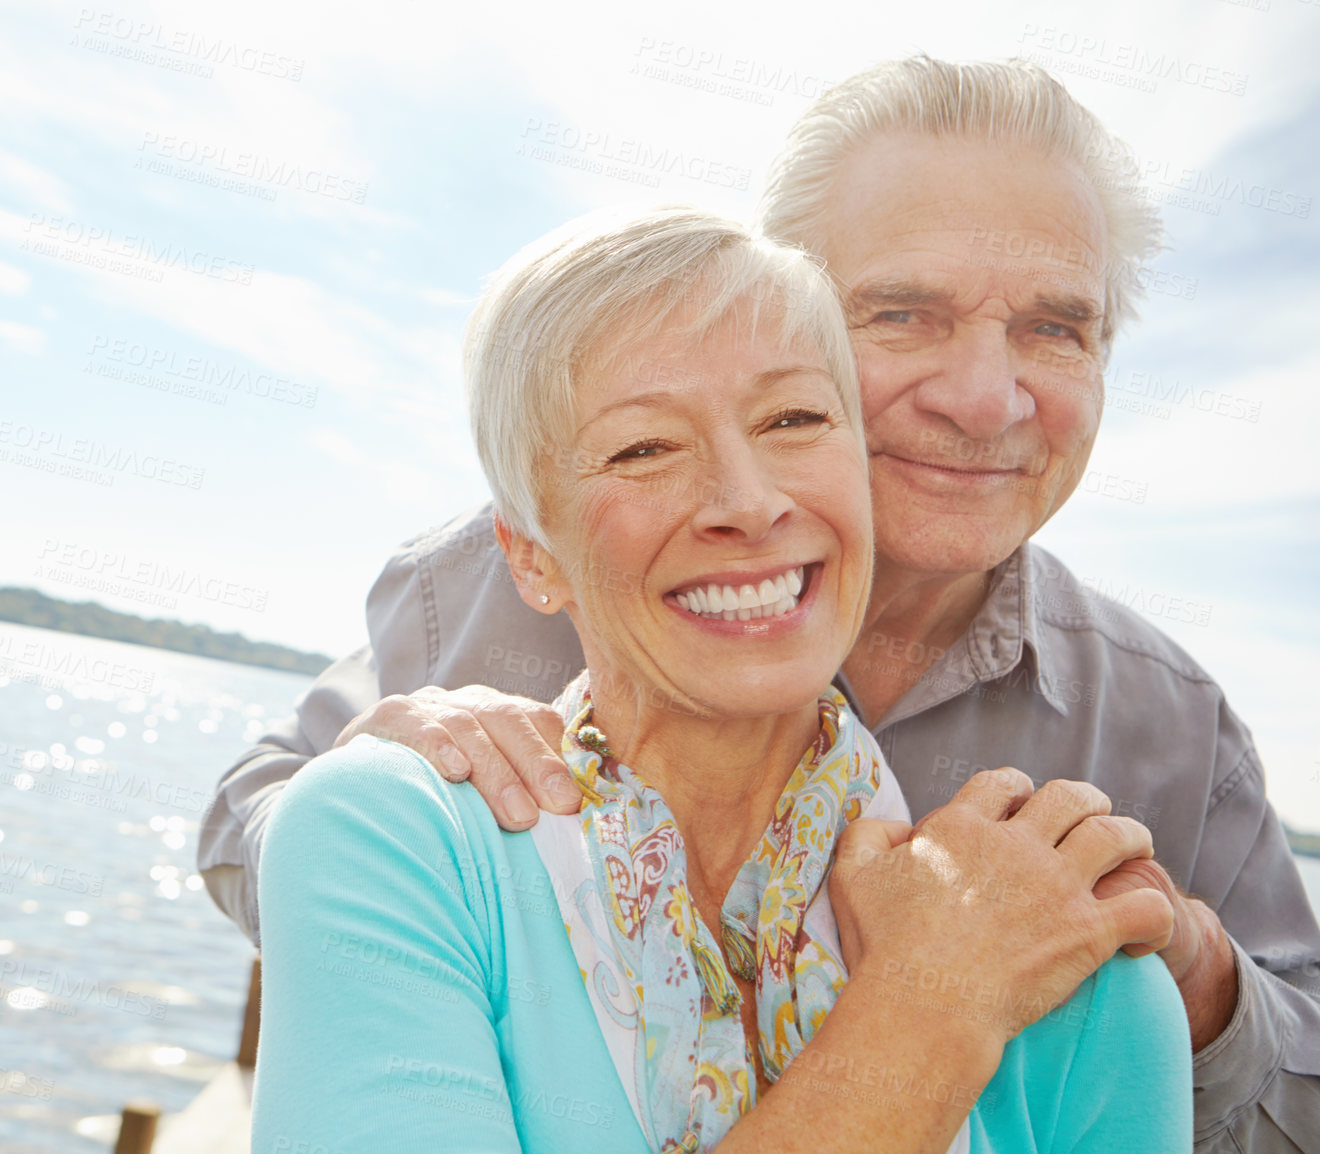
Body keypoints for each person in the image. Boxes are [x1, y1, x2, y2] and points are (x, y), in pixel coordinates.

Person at [207, 58, 1320, 1153]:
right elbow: (262, 818)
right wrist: (387, 798)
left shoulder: (1168, 724)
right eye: (905, 313)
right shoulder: (483, 574)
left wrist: (1183, 959)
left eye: (1056, 327)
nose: (987, 397)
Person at [250, 205, 1191, 1154]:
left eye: (795, 419)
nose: (748, 502)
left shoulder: (1078, 976)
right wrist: (932, 1003)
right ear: (531, 556)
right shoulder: (393, 841)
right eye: (643, 448)